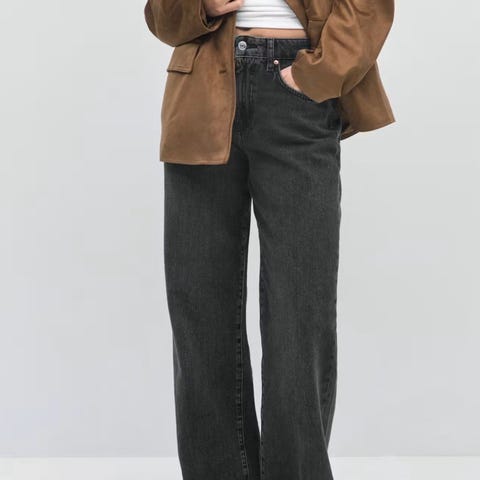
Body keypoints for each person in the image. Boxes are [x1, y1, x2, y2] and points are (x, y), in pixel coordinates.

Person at [144, 1, 395, 479]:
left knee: (299, 310)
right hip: (201, 96)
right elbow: (161, 17)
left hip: (297, 95)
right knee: (200, 310)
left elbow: (366, 7)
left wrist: (314, 76)